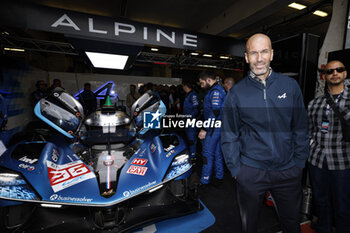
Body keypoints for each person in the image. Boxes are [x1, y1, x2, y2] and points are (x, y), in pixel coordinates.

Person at [221, 33, 309, 233]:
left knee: (291, 225)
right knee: (248, 225)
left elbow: (301, 127)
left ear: (272, 54)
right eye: (253, 53)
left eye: (263, 52)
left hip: (288, 170)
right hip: (251, 171)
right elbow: (229, 134)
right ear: (246, 57)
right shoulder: (237, 93)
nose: (259, 58)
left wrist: (299, 163)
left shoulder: (290, 86)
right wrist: (237, 171)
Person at [307, 60, 350, 233]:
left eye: (339, 69)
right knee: (321, 202)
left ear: (345, 74)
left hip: (343, 162)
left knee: (343, 205)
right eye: (330, 71)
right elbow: (308, 131)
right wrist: (311, 148)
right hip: (317, 162)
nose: (335, 73)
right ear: (324, 77)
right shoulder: (314, 104)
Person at [198, 71, 226, 185]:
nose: (201, 86)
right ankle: (219, 176)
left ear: (209, 80)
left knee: (207, 154)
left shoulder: (215, 91)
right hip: (218, 127)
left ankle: (204, 180)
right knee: (217, 153)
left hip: (213, 127)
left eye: (202, 83)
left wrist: (205, 128)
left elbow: (215, 111)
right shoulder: (217, 89)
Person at [182, 81, 199, 158]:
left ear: (186, 86)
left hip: (191, 120)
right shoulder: (188, 95)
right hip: (186, 119)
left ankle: (193, 155)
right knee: (188, 138)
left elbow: (196, 108)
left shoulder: (193, 95)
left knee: (191, 138)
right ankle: (191, 152)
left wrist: (191, 118)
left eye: (183, 86)